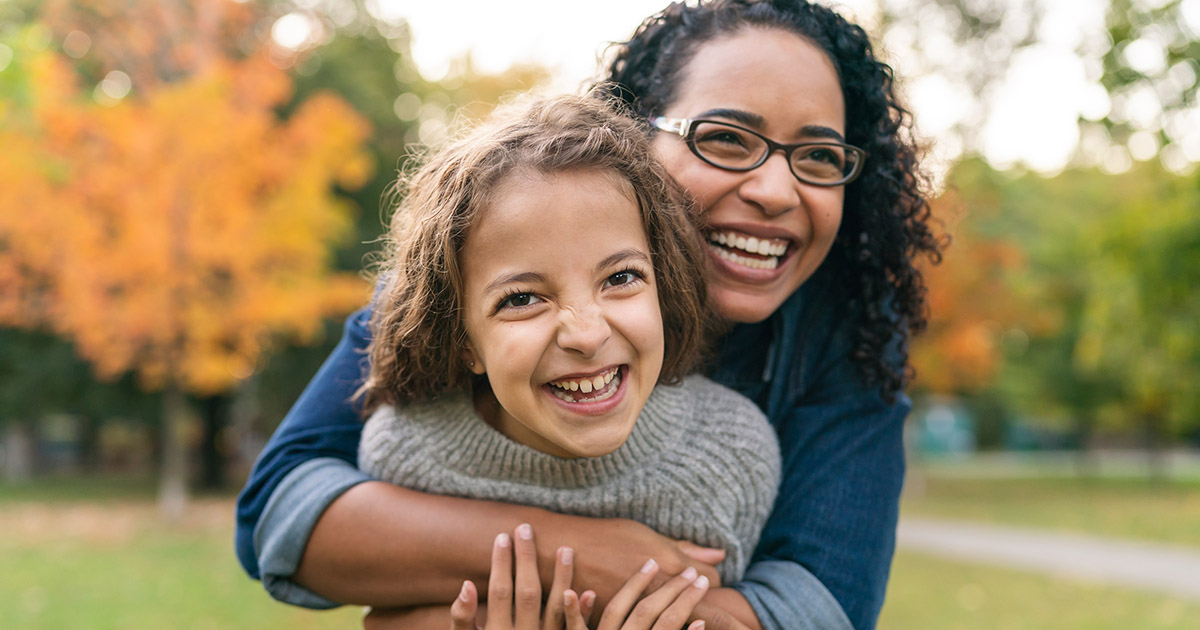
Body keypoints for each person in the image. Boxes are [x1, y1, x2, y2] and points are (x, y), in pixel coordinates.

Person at [235, 1, 943, 629]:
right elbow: (282, 518)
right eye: (725, 138)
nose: (774, 189)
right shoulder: (468, 279)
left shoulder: (848, 346)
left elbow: (820, 606)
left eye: (819, 156)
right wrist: (566, 553)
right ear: (634, 141)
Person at [357, 93, 778, 597]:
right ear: (463, 340)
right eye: (522, 299)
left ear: (664, 287)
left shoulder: (731, 453)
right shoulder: (405, 454)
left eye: (621, 276)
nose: (586, 334)